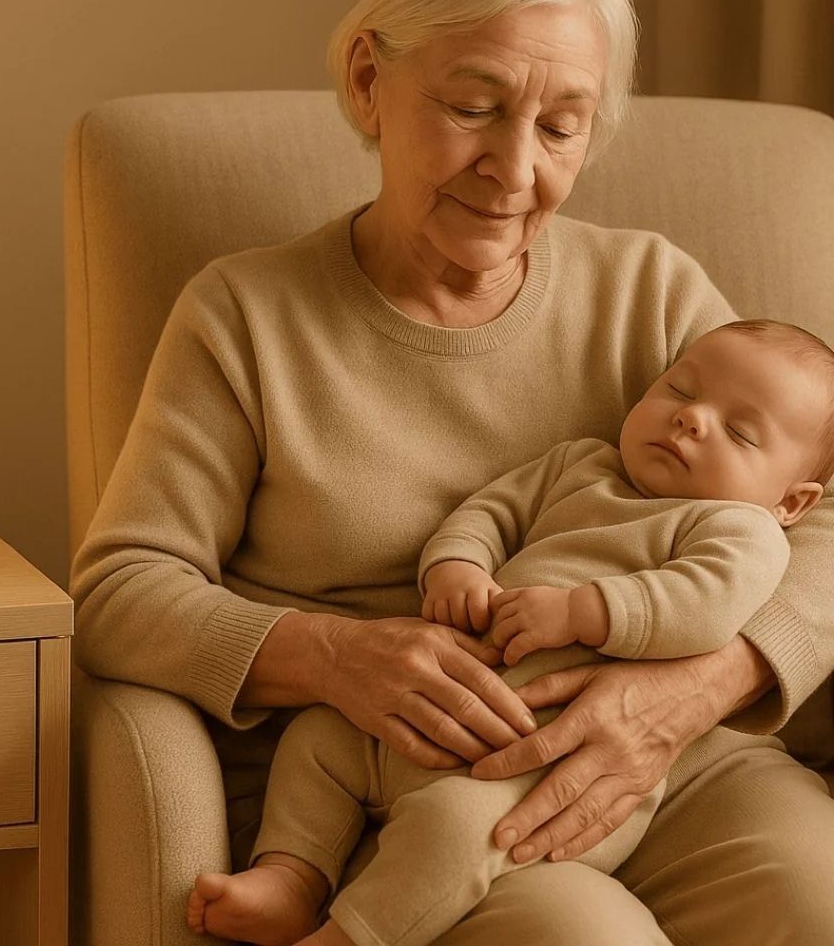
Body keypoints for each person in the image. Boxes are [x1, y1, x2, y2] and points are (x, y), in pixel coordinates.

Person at [70, 0, 834, 944]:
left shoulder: (652, 292)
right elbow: (120, 590)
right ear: (369, 81)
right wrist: (337, 654)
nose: (515, 170)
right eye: (474, 107)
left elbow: (818, 510)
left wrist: (694, 691)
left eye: (561, 126)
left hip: (679, 758)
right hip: (417, 784)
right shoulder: (245, 317)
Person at [185, 319, 833, 946]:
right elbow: (492, 512)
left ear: (792, 503)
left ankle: (349, 936)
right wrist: (457, 567)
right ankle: (292, 876)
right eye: (679, 390)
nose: (692, 418)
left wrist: (585, 611)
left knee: (457, 829)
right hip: (429, 704)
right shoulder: (580, 465)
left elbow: (707, 604)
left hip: (550, 771)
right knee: (318, 740)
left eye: (741, 433)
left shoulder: (737, 529)